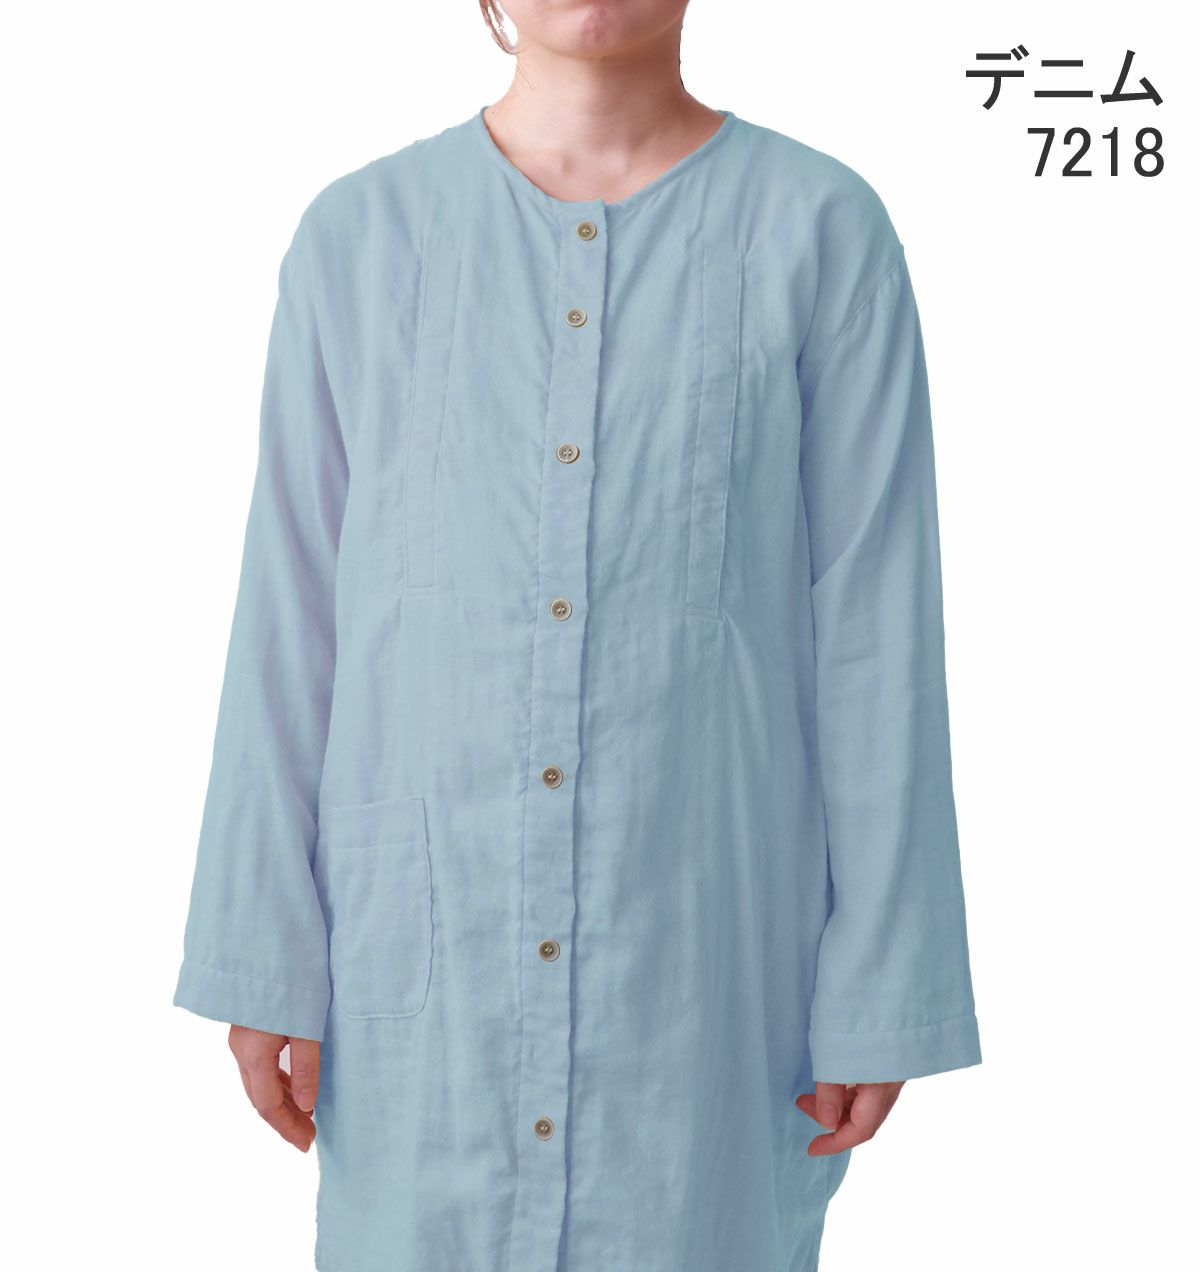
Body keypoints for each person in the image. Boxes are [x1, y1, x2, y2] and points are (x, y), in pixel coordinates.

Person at [173, 2, 982, 1268]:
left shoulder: (821, 231)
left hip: (706, 977)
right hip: (420, 983)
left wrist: (883, 979)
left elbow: (879, 627)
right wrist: (264, 948)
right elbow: (291, 612)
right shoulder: (360, 240)